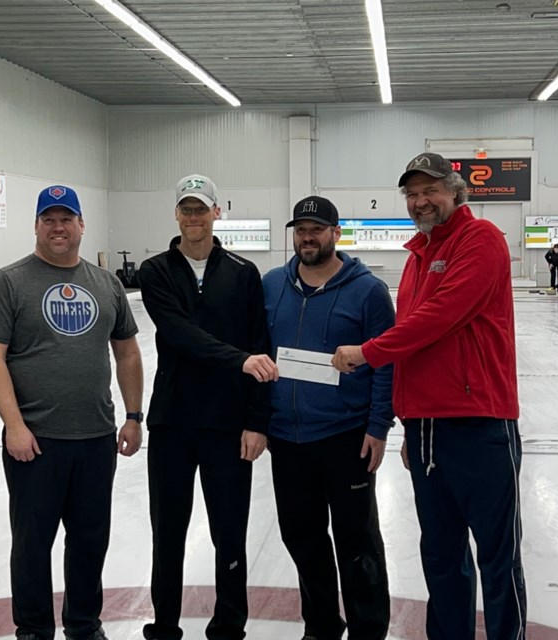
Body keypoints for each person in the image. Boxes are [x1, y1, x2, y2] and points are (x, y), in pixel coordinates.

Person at [332, 152, 527, 640]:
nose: (420, 201)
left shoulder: (480, 240)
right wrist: (411, 420)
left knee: (497, 558)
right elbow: (414, 341)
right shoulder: (418, 255)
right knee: (441, 557)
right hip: (428, 432)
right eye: (412, 194)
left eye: (430, 190)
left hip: (479, 424)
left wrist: (367, 352)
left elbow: (438, 318)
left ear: (455, 191)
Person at [0, 185, 144, 640]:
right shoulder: (9, 282)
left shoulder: (106, 284)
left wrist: (133, 415)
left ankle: (84, 624)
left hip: (94, 437)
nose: (58, 227)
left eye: (66, 218)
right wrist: (13, 425)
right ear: (35, 226)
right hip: (35, 440)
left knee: (90, 541)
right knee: (32, 544)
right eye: (48, 219)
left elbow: (127, 352)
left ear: (81, 225)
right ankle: (32, 629)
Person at [137, 173, 278, 640]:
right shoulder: (156, 271)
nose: (194, 217)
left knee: (229, 531)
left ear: (218, 213)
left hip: (227, 424)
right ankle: (164, 624)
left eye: (202, 209)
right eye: (186, 209)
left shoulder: (242, 273)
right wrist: (239, 360)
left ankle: (228, 625)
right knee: (169, 531)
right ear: (176, 214)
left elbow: (263, 346)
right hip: (173, 422)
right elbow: (178, 332)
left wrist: (257, 421)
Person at [262, 195, 395, 640]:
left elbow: (386, 362)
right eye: (300, 229)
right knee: (302, 536)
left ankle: (368, 628)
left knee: (357, 542)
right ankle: (320, 625)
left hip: (345, 436)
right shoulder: (272, 285)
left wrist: (378, 427)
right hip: (287, 438)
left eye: (317, 229)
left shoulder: (367, 291)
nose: (307, 237)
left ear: (336, 234)